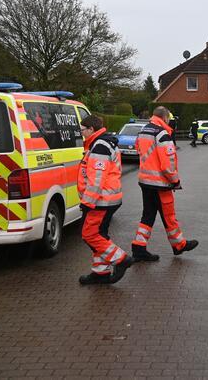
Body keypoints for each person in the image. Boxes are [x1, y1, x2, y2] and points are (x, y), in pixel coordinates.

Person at [131, 106, 199, 262]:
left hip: (145, 181)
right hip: (160, 183)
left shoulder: (143, 131)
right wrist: (175, 181)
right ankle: (179, 245)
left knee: (147, 215)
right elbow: (167, 164)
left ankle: (138, 247)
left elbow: (139, 150)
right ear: (165, 118)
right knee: (169, 216)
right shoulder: (162, 134)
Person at [77, 115, 134, 285]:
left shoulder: (100, 146)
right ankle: (100, 273)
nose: (82, 134)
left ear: (91, 129)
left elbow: (96, 179)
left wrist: (87, 202)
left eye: (83, 130)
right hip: (107, 199)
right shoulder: (103, 143)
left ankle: (121, 259)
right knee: (100, 235)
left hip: (100, 201)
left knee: (90, 235)